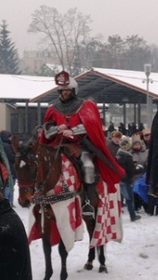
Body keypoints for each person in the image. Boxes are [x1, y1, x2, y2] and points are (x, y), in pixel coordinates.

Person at [40, 71, 124, 214]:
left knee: (88, 166)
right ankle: (41, 196)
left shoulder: (86, 106)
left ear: (73, 90)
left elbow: (92, 125)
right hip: (58, 146)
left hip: (80, 146)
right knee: (42, 165)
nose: (64, 93)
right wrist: (56, 129)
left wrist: (73, 131)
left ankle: (88, 203)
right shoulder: (53, 109)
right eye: (62, 90)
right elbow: (46, 130)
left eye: (67, 90)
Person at [115, 137, 142, 221]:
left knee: (120, 198)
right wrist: (140, 169)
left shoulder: (118, 155)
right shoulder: (128, 156)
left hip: (119, 179)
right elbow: (131, 171)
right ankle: (132, 216)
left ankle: (117, 215)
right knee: (129, 199)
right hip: (126, 180)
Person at [0, 129, 17, 205]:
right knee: (9, 186)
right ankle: (8, 201)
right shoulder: (7, 146)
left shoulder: (1, 145)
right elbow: (11, 157)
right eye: (9, 136)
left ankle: (9, 201)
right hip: (10, 168)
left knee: (7, 185)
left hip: (4, 168)